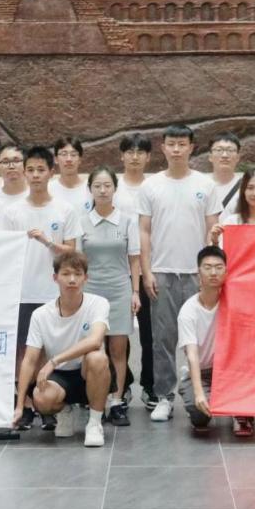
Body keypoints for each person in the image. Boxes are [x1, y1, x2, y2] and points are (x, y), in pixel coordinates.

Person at [138, 125, 222, 422]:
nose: (176, 149)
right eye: (171, 144)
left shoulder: (205, 185)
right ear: (163, 148)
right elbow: (144, 231)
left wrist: (209, 271)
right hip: (162, 272)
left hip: (197, 276)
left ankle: (204, 389)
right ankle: (164, 396)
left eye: (182, 144)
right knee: (162, 339)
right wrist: (146, 271)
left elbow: (213, 229)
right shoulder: (150, 186)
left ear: (191, 147)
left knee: (201, 338)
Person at [3, 145, 81, 429]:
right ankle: (24, 404)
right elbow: (3, 252)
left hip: (53, 293)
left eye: (41, 170)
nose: (35, 175)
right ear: (24, 173)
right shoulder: (12, 212)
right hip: (22, 291)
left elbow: (72, 250)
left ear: (51, 172)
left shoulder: (65, 209)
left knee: (49, 351)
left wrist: (47, 242)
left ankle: (45, 402)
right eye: (31, 170)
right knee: (23, 351)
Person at [207, 167, 255, 434]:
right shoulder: (232, 220)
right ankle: (241, 411)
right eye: (250, 188)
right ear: (243, 191)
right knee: (241, 353)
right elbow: (219, 258)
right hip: (238, 297)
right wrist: (214, 238)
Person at [13, 251, 111, 447]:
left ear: (86, 278)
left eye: (77, 274)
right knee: (42, 398)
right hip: (59, 377)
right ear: (55, 277)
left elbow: (95, 340)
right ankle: (64, 411)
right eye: (66, 274)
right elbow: (29, 360)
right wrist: (20, 406)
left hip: (87, 371)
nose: (72, 280)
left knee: (97, 357)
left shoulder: (98, 303)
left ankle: (94, 423)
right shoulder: (41, 315)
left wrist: (54, 361)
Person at [81, 166, 141, 426]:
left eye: (107, 186)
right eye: (97, 186)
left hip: (119, 290)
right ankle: (94, 400)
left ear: (115, 188)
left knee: (118, 349)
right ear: (90, 190)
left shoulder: (127, 221)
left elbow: (134, 259)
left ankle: (117, 401)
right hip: (90, 293)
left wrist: (135, 291)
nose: (103, 190)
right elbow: (77, 261)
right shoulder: (81, 221)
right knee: (92, 348)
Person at [115, 133, 158, 408]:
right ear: (121, 156)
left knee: (150, 332)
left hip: (147, 269)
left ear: (148, 157)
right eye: (129, 151)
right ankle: (121, 384)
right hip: (118, 269)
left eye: (140, 152)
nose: (134, 156)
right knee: (117, 332)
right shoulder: (113, 186)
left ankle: (150, 385)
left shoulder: (155, 186)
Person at [178, 246, 227, 434]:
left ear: (226, 271)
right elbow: (192, 355)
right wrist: (199, 394)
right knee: (200, 416)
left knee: (243, 406)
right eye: (207, 267)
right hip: (201, 371)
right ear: (199, 273)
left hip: (228, 371)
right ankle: (190, 389)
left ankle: (238, 413)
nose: (213, 273)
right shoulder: (188, 311)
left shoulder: (233, 303)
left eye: (219, 267)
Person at [49, 137, 93, 218]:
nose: (69, 159)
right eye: (64, 154)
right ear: (56, 159)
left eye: (73, 154)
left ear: (80, 159)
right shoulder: (48, 189)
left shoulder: (91, 188)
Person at [208, 132, 242, 221]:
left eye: (230, 150)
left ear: (238, 157)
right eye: (219, 150)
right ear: (210, 156)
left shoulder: (246, 186)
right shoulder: (200, 184)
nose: (225, 155)